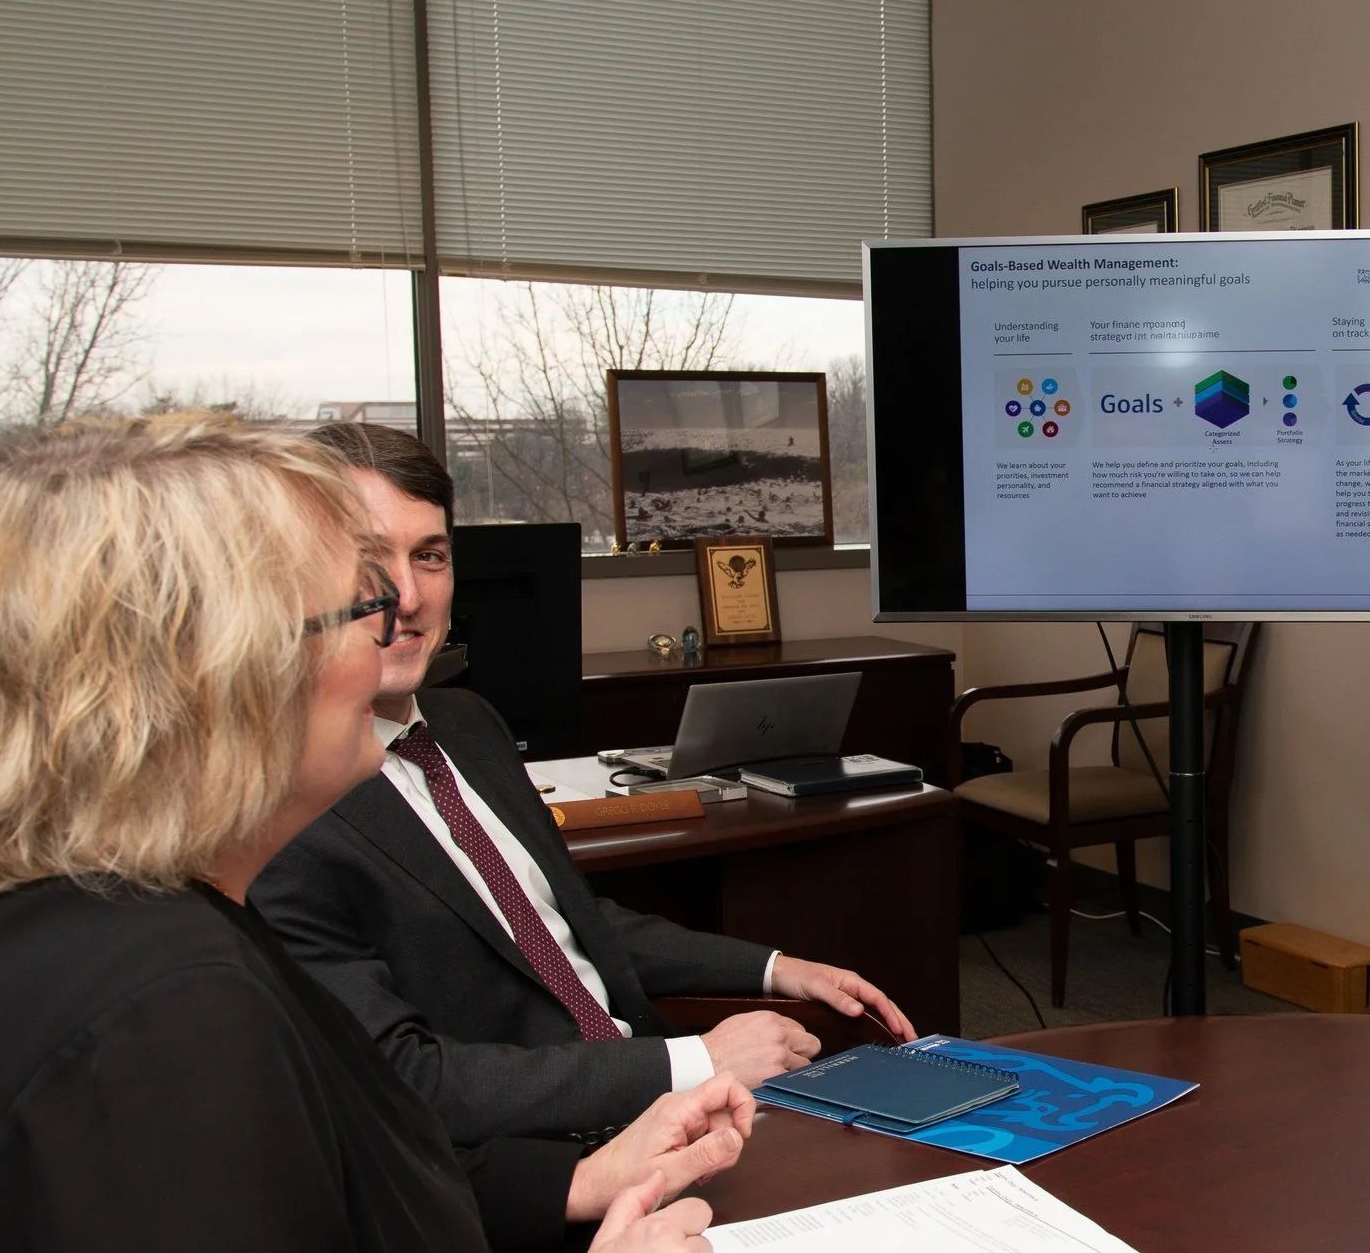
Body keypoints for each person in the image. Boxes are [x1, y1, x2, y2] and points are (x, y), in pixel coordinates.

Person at [0, 415, 793, 1253]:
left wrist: (582, 1175)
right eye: (351, 600)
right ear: (219, 672)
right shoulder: (162, 1021)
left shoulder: (88, 923)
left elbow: (322, 1192)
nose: (393, 622)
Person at [252, 422, 914, 1169]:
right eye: (366, 561)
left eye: (429, 556)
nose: (404, 596)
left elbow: (567, 921)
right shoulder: (280, 806)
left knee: (939, 1153)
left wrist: (774, 966)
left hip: (660, 1102)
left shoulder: (467, 724)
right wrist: (695, 1060)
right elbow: (406, 1077)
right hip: (538, 1163)